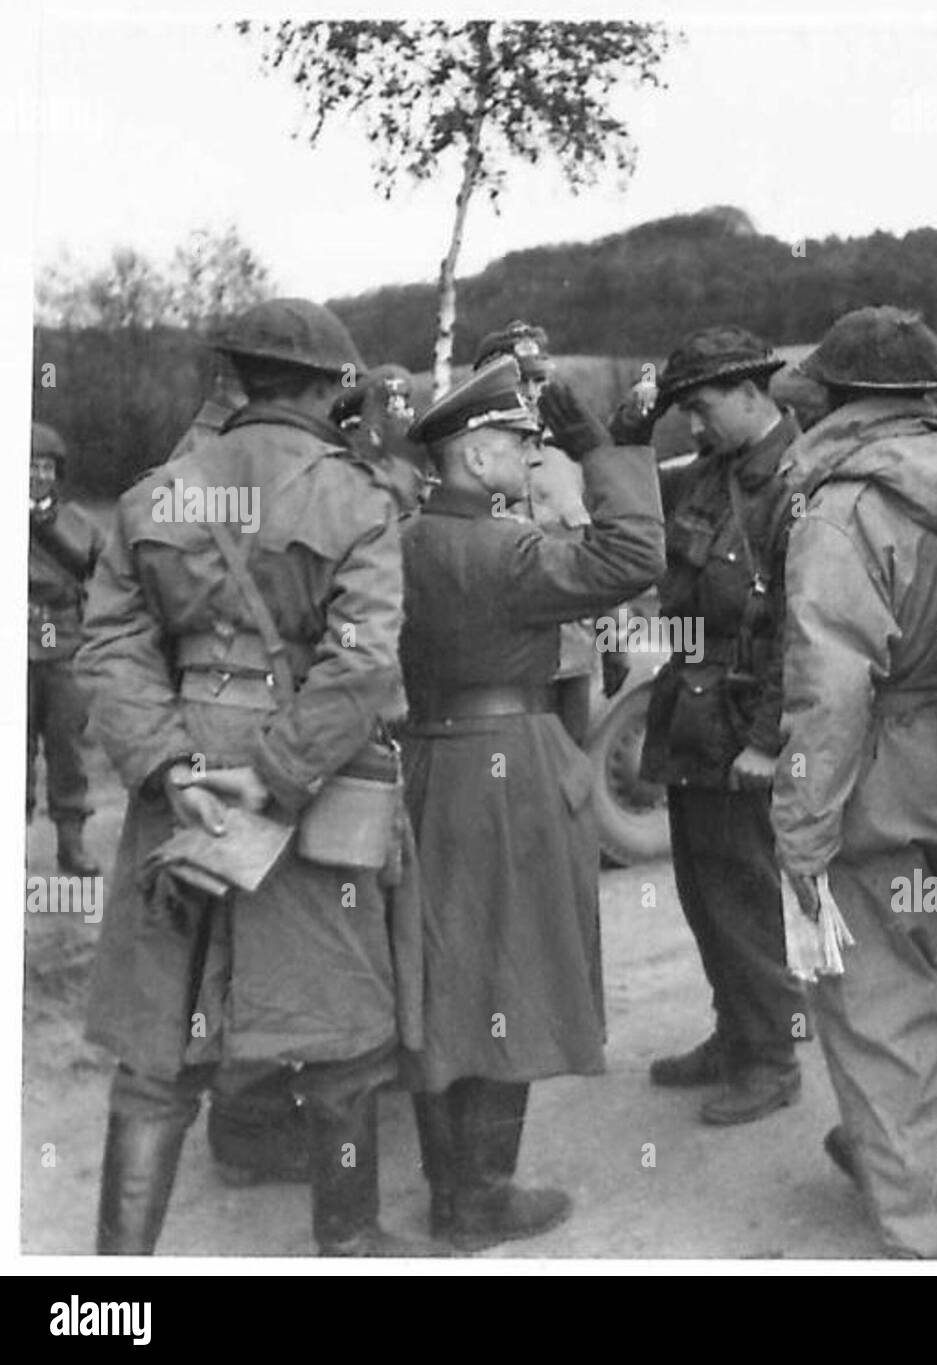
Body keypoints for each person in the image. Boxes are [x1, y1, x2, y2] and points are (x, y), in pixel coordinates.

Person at [79, 298, 424, 1257]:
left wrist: (168, 765)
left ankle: (113, 1284)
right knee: (339, 1024)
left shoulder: (158, 494)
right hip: (313, 778)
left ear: (235, 376)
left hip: (183, 773)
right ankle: (349, 1241)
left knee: (159, 1040)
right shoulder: (357, 499)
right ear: (326, 388)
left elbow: (110, 647)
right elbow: (361, 663)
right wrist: (273, 774)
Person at [400, 356, 664, 1250]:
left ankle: (449, 1191)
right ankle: (481, 1199)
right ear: (475, 457)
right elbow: (635, 555)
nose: (530, 453)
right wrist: (605, 452)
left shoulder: (406, 539)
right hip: (505, 767)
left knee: (443, 981)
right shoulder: (506, 551)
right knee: (510, 973)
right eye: (518, 441)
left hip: (428, 761)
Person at [770, 307, 937, 1258]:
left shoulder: (841, 511)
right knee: (935, 974)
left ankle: (934, 1235)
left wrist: (801, 837)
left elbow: (830, 692)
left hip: (881, 762)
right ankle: (906, 1163)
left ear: (839, 401)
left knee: (879, 1006)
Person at [635, 325, 807, 1126]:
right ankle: (735, 1031)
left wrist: (770, 739)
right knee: (704, 892)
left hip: (747, 722)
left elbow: (804, 628)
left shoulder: (797, 483)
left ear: (749, 392)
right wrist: (625, 432)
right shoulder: (708, 475)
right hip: (696, 713)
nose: (694, 425)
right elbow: (634, 515)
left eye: (702, 408)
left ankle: (772, 1056)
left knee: (747, 896)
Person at [472, 321, 617, 742]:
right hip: (498, 664)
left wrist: (615, 638)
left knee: (568, 767)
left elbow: (600, 550)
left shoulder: (570, 457)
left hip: (572, 658)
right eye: (521, 382)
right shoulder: (467, 461)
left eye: (540, 381)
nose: (533, 393)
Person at [28, 421, 105, 875]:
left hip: (64, 645)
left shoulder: (80, 525)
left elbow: (109, 579)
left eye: (46, 467)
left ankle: (71, 845)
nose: (38, 476)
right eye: (29, 466)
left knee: (67, 749)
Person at [331, 362, 428, 514]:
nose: (408, 415)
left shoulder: (409, 472)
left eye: (404, 405)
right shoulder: (341, 472)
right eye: (393, 408)